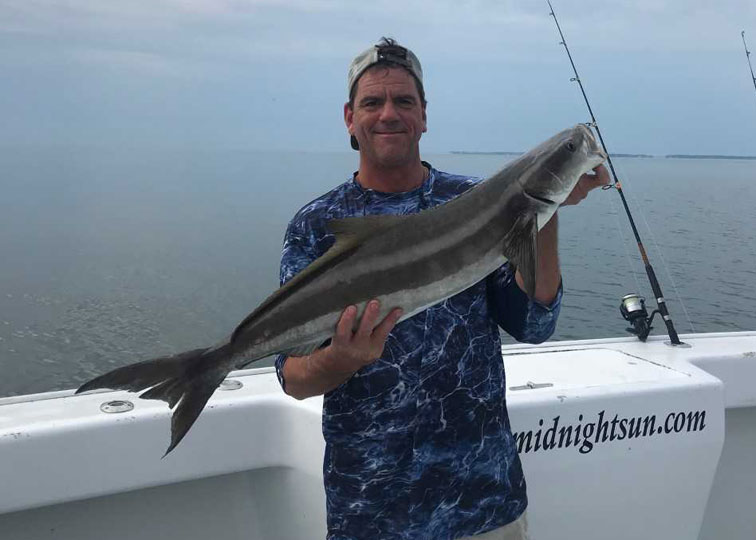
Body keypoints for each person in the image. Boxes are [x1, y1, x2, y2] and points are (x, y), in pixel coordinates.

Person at [274, 38, 608, 540]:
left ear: (424, 115)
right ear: (349, 118)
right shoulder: (317, 225)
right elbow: (293, 378)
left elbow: (534, 325)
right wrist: (342, 358)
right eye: (373, 102)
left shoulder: (476, 201)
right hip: (370, 513)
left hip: (484, 503)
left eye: (404, 101)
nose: (389, 114)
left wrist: (547, 211)